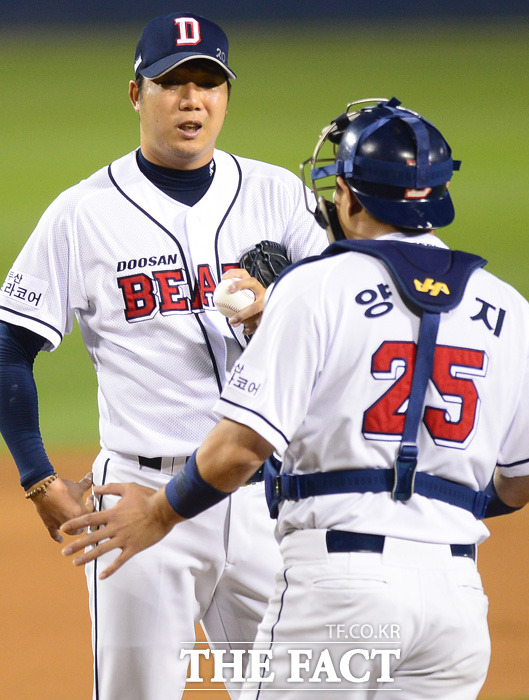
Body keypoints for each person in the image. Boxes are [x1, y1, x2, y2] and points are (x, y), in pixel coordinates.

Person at [62, 97, 529, 699]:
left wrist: (156, 514)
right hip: (455, 603)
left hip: (339, 591)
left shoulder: (315, 286)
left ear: (353, 198)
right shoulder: (507, 307)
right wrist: (437, 511)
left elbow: (237, 451)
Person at [0, 10, 326, 700]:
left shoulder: (281, 196)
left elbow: (347, 325)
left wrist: (282, 308)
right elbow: (9, 349)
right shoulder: (82, 214)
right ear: (135, 93)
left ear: (227, 95)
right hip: (141, 504)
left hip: (270, 496)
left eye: (208, 83)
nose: (191, 100)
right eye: (172, 83)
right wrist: (36, 478)